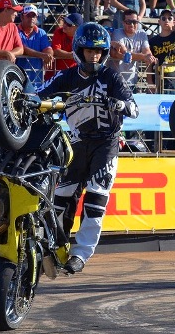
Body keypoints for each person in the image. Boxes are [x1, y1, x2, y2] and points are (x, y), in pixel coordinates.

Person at [37, 22, 139, 274]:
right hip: (76, 142)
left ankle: (81, 254)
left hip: (106, 143)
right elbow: (39, 94)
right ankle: (54, 245)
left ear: (104, 53)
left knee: (96, 197)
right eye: (88, 51)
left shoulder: (111, 76)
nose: (93, 56)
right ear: (78, 51)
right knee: (61, 197)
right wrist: (29, 101)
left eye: (97, 52)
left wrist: (119, 105)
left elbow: (134, 108)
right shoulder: (67, 76)